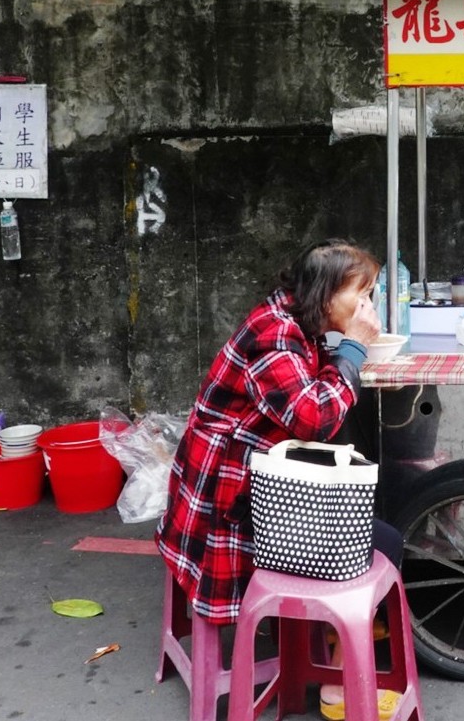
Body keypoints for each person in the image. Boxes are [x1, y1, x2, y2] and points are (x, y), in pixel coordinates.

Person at [156, 238, 403, 718]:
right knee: (383, 540)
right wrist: (353, 349)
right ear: (325, 293)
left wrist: (346, 351)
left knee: (370, 520)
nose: (368, 306)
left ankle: (333, 653)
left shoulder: (295, 322)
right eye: (363, 293)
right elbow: (313, 418)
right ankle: (336, 681)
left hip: (250, 474)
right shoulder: (273, 332)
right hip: (226, 497)